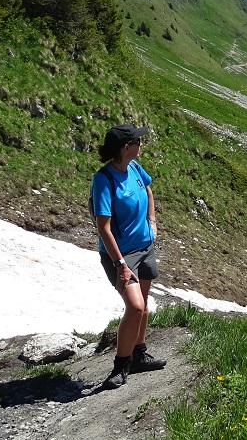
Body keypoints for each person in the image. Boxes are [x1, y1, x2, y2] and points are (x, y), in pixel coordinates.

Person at [90, 123, 166, 389]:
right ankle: (121, 365)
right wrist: (120, 264)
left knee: (143, 306)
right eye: (137, 141)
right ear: (126, 147)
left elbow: (147, 188)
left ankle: (139, 354)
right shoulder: (104, 179)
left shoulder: (134, 168)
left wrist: (152, 221)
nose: (140, 145)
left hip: (145, 247)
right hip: (121, 256)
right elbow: (103, 227)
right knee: (134, 307)